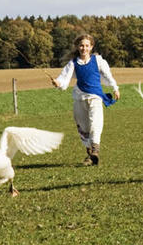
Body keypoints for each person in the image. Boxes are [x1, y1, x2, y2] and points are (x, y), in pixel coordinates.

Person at [51, 34, 120, 166]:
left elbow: (108, 75)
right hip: (79, 97)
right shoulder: (73, 63)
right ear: (78, 47)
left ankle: (95, 150)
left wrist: (115, 88)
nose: (84, 48)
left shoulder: (98, 60)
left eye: (87, 46)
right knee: (83, 126)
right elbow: (64, 78)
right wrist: (57, 83)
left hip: (95, 96)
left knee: (95, 123)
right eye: (82, 45)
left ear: (91, 47)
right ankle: (90, 153)